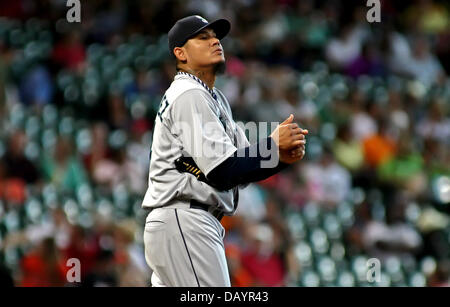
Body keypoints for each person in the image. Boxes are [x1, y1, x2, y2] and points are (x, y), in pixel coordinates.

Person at [141, 15, 308, 287]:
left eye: (215, 36)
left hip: (184, 224)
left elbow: (239, 167)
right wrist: (273, 145)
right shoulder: (188, 94)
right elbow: (221, 171)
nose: (215, 41)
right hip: (185, 220)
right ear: (180, 53)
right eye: (202, 37)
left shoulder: (214, 98)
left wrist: (279, 157)